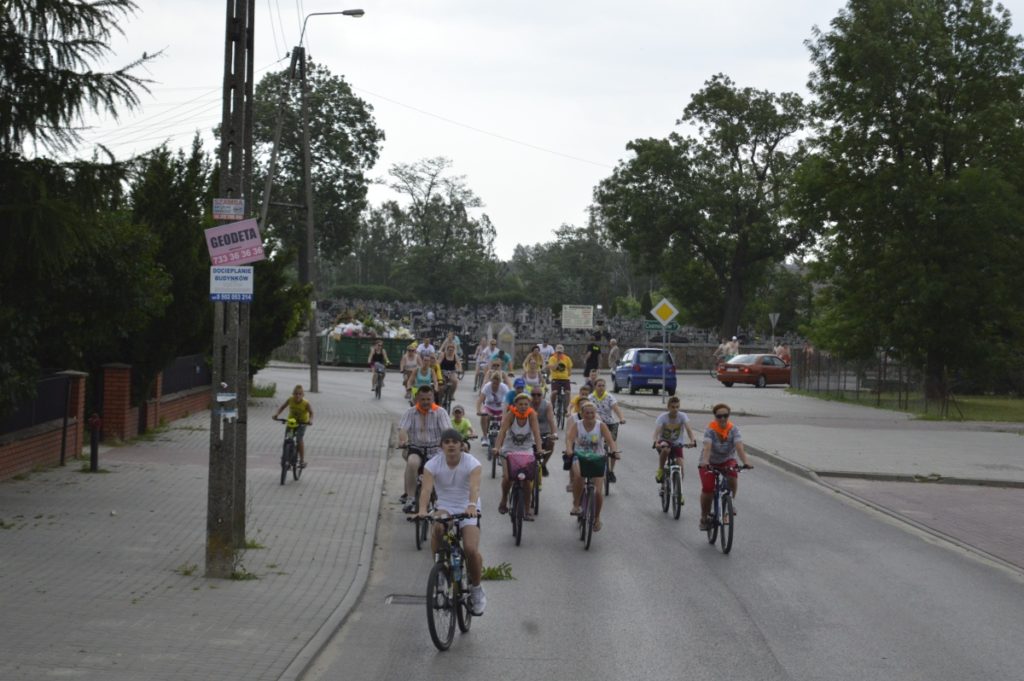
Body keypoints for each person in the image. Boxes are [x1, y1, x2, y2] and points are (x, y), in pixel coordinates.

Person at [413, 427, 486, 615]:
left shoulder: (472, 463)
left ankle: (476, 589)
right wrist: (422, 510)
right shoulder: (432, 464)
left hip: (467, 508)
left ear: (461, 445)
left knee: (470, 549)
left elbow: (474, 487)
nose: (451, 445)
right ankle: (440, 570)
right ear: (441, 446)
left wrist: (471, 505)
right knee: (437, 528)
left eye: (455, 442)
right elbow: (426, 490)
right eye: (447, 442)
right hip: (445, 506)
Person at [563, 401, 618, 531]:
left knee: (598, 492)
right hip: (580, 456)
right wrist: (569, 449)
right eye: (587, 413)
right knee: (578, 476)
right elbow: (570, 439)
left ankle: (597, 518)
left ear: (595, 413)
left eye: (592, 413)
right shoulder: (577, 425)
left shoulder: (601, 426)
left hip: (598, 458)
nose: (589, 415)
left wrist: (614, 451)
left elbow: (610, 441)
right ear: (582, 414)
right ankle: (576, 505)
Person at [698, 403, 753, 531]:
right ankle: (704, 517)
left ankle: (730, 503)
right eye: (719, 416)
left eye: (725, 415)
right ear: (715, 417)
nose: (722, 418)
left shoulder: (733, 429)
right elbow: (707, 448)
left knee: (733, 475)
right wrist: (705, 462)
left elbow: (739, 447)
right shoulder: (710, 429)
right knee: (708, 489)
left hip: (727, 460)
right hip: (709, 462)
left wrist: (746, 462)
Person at [398, 385, 452, 512]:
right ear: (417, 399)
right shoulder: (410, 412)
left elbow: (447, 431)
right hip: (416, 448)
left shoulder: (440, 412)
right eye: (423, 399)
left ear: (433, 398)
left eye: (429, 399)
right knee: (412, 463)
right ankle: (411, 498)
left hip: (435, 450)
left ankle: (442, 498)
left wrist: (449, 442)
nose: (426, 402)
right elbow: (403, 429)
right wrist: (403, 441)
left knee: (442, 470)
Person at [493, 392, 543, 520]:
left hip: (526, 450)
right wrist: (497, 448)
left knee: (526, 481)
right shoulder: (511, 414)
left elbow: (536, 433)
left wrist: (539, 449)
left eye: (526, 404)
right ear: (515, 405)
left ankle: (526, 509)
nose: (523, 406)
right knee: (508, 477)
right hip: (509, 449)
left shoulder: (531, 415)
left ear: (529, 405)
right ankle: (504, 500)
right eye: (520, 404)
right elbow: (502, 432)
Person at [652, 395, 696, 484]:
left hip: (677, 443)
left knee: (681, 468)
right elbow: (656, 433)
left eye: (677, 407)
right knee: (666, 449)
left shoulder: (682, 416)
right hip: (664, 441)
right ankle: (660, 470)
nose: (675, 409)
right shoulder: (663, 417)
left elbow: (689, 430)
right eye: (673, 407)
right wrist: (655, 442)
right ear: (668, 407)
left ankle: (678, 490)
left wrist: (692, 441)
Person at [591, 378, 626, 483]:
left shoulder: (609, 397)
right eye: (599, 386)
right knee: (594, 444)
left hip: (610, 424)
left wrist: (621, 418)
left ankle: (611, 471)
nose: (601, 388)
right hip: (596, 425)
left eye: (603, 385)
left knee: (613, 445)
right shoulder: (591, 398)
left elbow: (616, 408)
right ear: (595, 387)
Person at [273, 384, 313, 468]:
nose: (297, 396)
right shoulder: (290, 400)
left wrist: (310, 420)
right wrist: (276, 414)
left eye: (300, 394)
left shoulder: (306, 403)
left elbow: (311, 413)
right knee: (288, 439)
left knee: (299, 439)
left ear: (303, 395)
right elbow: (282, 407)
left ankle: (301, 461)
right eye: (296, 394)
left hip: (302, 423)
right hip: (292, 422)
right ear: (293, 394)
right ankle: (285, 458)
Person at [476, 372, 510, 447]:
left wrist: (506, 413)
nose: (495, 385)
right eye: (493, 383)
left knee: (507, 419)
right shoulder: (487, 387)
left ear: (500, 383)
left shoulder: (504, 387)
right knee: (484, 416)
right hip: (489, 408)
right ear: (491, 381)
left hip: (501, 409)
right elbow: (480, 400)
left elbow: (509, 400)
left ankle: (505, 436)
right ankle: (485, 437)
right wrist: (478, 411)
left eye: (497, 384)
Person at [529, 387, 557, 476]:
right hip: (530, 433)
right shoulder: (527, 404)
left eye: (539, 394)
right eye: (533, 395)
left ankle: (544, 464)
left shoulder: (547, 405)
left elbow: (551, 420)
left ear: (542, 396)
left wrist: (554, 433)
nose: (536, 397)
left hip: (544, 432)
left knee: (551, 443)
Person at [547, 344, 574, 414]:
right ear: (555, 352)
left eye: (560, 352)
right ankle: (552, 406)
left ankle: (566, 408)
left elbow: (570, 370)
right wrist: (558, 361)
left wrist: (567, 374)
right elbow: (553, 368)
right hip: (555, 379)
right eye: (558, 352)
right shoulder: (552, 358)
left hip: (565, 379)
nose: (559, 354)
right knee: (554, 392)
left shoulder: (567, 358)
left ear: (563, 352)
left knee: (568, 392)